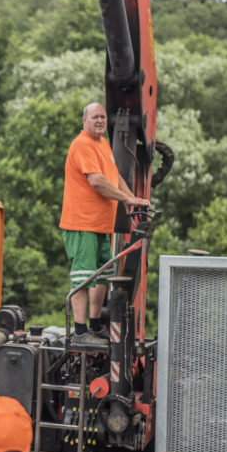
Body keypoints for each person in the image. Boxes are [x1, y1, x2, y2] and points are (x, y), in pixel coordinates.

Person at [59, 102, 150, 345]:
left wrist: (131, 198)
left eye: (102, 117)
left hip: (102, 225)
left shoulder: (102, 143)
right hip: (83, 223)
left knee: (102, 276)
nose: (100, 121)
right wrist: (128, 198)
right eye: (95, 117)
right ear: (84, 120)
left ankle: (95, 326)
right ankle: (79, 333)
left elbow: (114, 175)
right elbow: (97, 181)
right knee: (84, 276)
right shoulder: (82, 145)